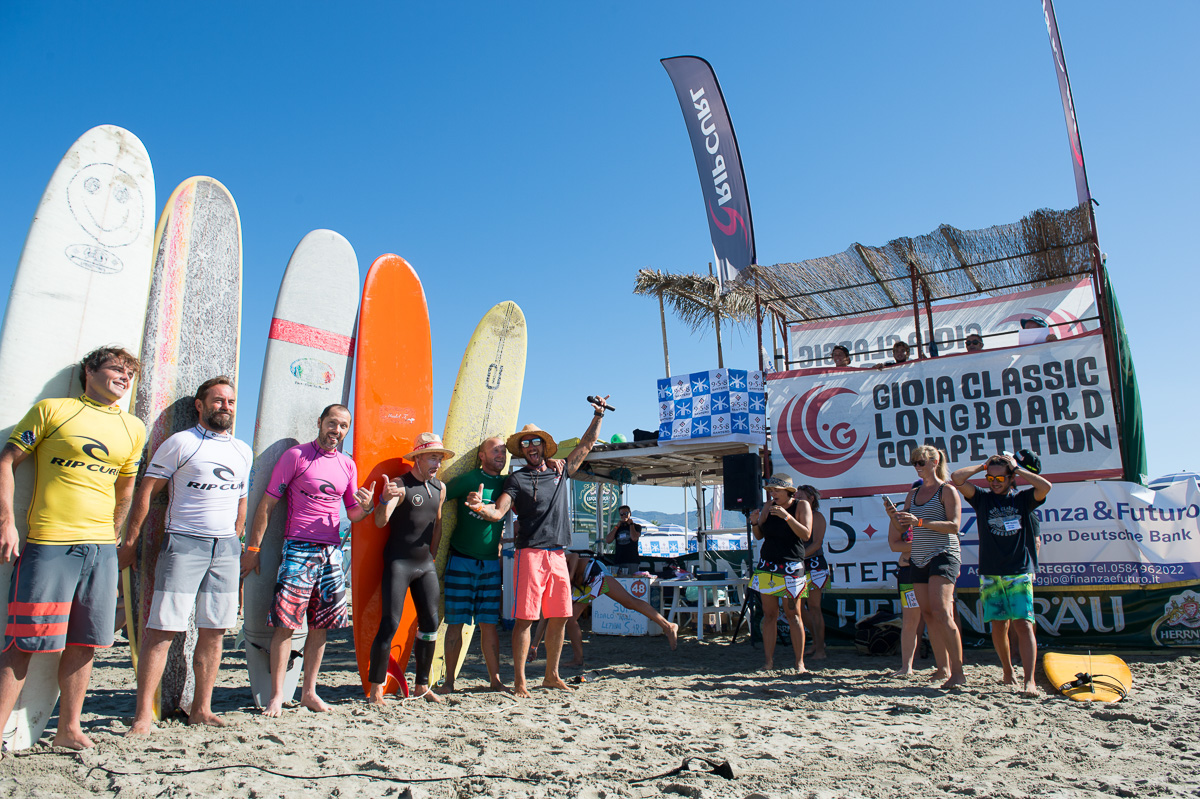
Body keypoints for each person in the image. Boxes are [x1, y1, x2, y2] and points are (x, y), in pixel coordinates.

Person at [0, 346, 146, 749]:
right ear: (90, 371)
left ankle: (68, 729)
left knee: (86, 640)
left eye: (130, 373)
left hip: (100, 549)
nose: (125, 377)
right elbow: (6, 461)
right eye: (116, 368)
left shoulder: (133, 428)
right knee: (24, 641)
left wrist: (113, 535)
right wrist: (7, 522)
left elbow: (125, 490)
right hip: (50, 543)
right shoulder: (53, 410)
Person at [120, 376, 252, 735]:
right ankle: (143, 716)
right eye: (218, 400)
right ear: (200, 404)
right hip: (184, 543)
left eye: (230, 401)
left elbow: (242, 498)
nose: (225, 407)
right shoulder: (181, 442)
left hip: (225, 548)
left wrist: (237, 537)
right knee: (162, 630)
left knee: (214, 631)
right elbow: (146, 492)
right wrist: (130, 543)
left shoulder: (242, 450)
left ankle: (202, 709)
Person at [466, 396, 610, 698]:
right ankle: (520, 682)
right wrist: (480, 508)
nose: (531, 446)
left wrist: (598, 415)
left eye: (536, 442)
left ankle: (551, 676)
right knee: (525, 620)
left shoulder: (560, 471)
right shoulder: (516, 480)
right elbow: (499, 511)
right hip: (529, 554)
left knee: (560, 617)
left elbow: (586, 445)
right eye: (526, 443)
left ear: (544, 446)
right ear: (522, 450)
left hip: (558, 554)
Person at [241, 403, 375, 717]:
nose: (337, 430)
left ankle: (309, 692)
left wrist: (368, 507)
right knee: (286, 624)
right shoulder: (296, 456)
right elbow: (267, 504)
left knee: (321, 626)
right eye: (332, 423)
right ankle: (277, 695)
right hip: (298, 549)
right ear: (320, 422)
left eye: (343, 426)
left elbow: (353, 513)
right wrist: (253, 549)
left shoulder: (347, 465)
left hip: (332, 552)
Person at [951, 453, 1052, 696]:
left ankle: (1029, 680)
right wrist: (983, 466)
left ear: (1010, 478)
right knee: (998, 626)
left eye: (1000, 478)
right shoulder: (982, 499)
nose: (994, 482)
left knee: (1024, 624)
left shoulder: (1022, 500)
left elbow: (1045, 487)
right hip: (991, 573)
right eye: (990, 478)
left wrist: (1017, 469)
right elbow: (956, 478)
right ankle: (1007, 671)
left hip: (1019, 571)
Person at [368, 432, 452, 703]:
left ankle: (421, 685)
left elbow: (437, 524)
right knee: (390, 623)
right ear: (418, 458)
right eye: (432, 457)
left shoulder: (440, 488)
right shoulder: (400, 485)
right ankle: (376, 688)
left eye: (439, 458)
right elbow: (381, 521)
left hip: (425, 564)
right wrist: (384, 500)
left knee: (430, 624)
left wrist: (432, 556)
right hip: (399, 562)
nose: (437, 463)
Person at [887, 445, 965, 688]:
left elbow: (954, 525)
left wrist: (919, 521)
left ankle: (958, 672)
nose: (917, 467)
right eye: (914, 463)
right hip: (918, 557)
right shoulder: (913, 494)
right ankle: (942, 668)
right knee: (928, 614)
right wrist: (894, 516)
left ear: (935, 461)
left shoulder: (947, 490)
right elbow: (903, 528)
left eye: (921, 462)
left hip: (944, 553)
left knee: (942, 611)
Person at [437, 436, 509, 694]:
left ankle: (495, 681)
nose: (500, 454)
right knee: (455, 623)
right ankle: (449, 682)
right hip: (461, 560)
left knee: (488, 625)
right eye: (495, 450)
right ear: (481, 455)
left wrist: (553, 462)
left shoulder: (507, 484)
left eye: (503, 451)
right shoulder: (468, 480)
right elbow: (437, 495)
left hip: (490, 564)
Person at [529, 551, 678, 665]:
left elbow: (574, 556)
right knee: (571, 619)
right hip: (584, 583)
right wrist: (534, 646)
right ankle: (578, 659)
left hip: (593, 571)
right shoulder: (546, 584)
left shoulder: (550, 559)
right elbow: (543, 618)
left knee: (629, 602)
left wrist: (570, 576)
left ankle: (667, 625)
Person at [749, 474, 811, 672]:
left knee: (794, 615)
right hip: (768, 565)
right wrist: (755, 523)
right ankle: (768, 662)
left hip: (792, 567)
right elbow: (760, 536)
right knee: (769, 615)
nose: (773, 494)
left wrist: (787, 517)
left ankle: (799, 663)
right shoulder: (768, 506)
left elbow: (806, 534)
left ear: (788, 491)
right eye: (770, 491)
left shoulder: (801, 506)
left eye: (776, 490)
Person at [797, 485, 828, 660]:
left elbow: (817, 544)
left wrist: (797, 557)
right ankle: (817, 642)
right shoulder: (795, 516)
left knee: (814, 607)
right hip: (799, 565)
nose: (797, 500)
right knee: (798, 608)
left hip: (815, 564)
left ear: (811, 499)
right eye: (796, 498)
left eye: (801, 497)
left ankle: (820, 649)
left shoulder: (817, 517)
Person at [604, 506, 642, 574]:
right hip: (619, 560)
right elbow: (608, 540)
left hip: (632, 560)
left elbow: (634, 538)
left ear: (630, 513)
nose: (624, 516)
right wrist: (616, 527)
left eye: (626, 513)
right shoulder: (618, 528)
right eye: (622, 514)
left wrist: (631, 525)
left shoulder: (636, 526)